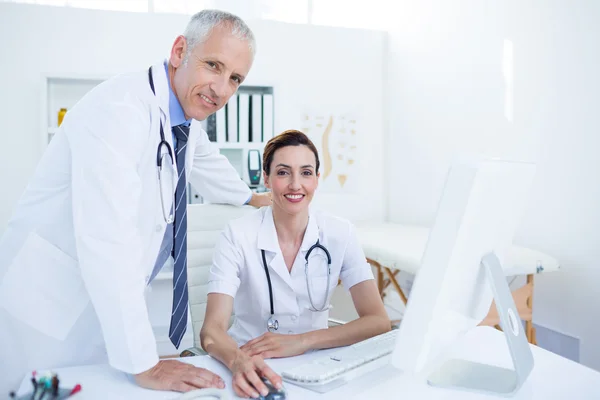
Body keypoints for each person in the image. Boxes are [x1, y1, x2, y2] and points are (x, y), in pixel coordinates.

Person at [0, 9, 271, 395]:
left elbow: (207, 163)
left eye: (235, 79)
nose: (222, 89)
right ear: (180, 51)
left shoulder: (184, 119)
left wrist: (253, 197)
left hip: (94, 306)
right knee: (27, 390)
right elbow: (108, 240)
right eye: (214, 65)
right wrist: (145, 364)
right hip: (45, 303)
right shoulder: (119, 112)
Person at [200, 130, 391, 398]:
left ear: (316, 179)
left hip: (318, 365)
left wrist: (302, 341)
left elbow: (378, 321)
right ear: (265, 178)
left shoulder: (339, 233)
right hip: (250, 361)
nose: (295, 184)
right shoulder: (237, 234)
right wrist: (239, 362)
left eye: (306, 172)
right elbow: (211, 331)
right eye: (282, 172)